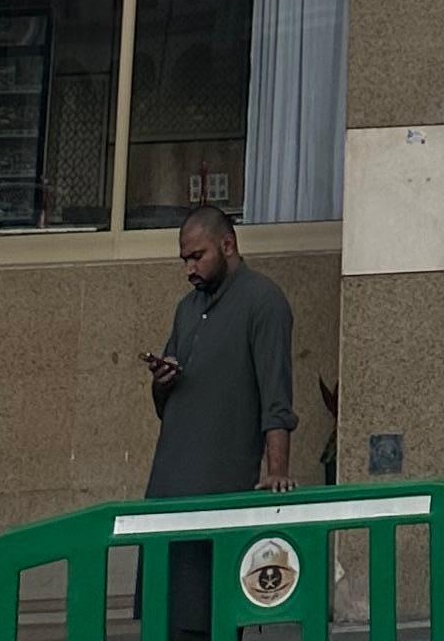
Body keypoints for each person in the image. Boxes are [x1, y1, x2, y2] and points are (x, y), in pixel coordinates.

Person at [141, 206, 294, 636]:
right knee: (163, 618)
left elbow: (276, 397)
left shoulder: (263, 301)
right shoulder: (186, 309)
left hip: (220, 490)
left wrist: (277, 470)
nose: (189, 269)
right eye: (184, 260)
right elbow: (164, 406)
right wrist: (162, 381)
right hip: (168, 490)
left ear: (228, 245)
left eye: (197, 256)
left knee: (213, 619)